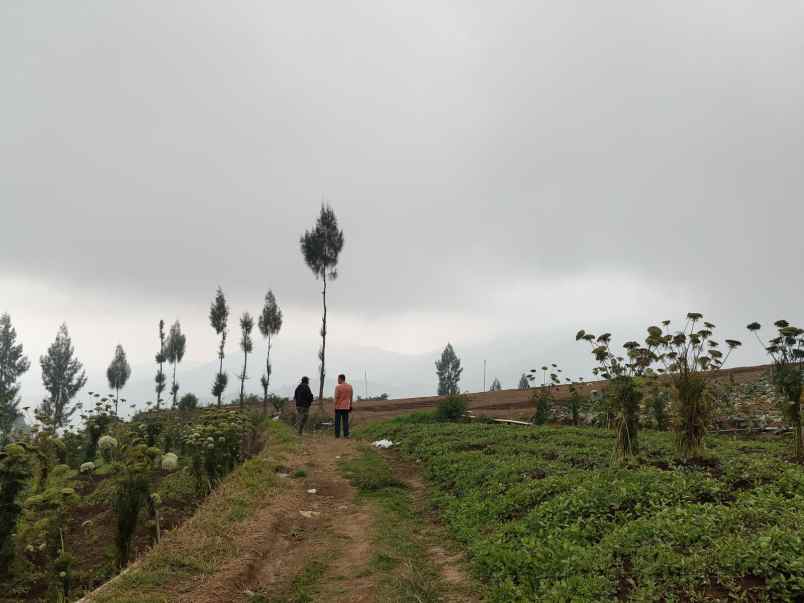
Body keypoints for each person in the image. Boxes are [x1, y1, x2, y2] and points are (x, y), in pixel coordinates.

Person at [333, 373, 353, 438]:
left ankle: (337, 435)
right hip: (346, 407)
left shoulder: (338, 387)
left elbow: (336, 397)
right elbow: (351, 397)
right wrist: (350, 405)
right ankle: (346, 434)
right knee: (345, 422)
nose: (337, 380)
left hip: (338, 407)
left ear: (341, 379)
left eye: (338, 379)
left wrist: (334, 405)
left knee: (337, 422)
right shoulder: (350, 387)